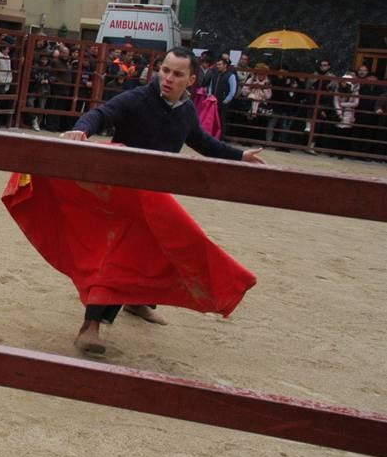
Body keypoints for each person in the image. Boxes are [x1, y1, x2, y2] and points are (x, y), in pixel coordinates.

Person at [59, 49, 264, 354]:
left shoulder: (186, 110)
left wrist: (239, 155)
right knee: (118, 258)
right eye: (165, 70)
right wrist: (82, 130)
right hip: (125, 195)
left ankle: (139, 301)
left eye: (177, 74)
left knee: (155, 250)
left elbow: (203, 142)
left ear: (191, 80)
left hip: (156, 197)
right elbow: (102, 114)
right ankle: (91, 326)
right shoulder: (137, 98)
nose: (168, 78)